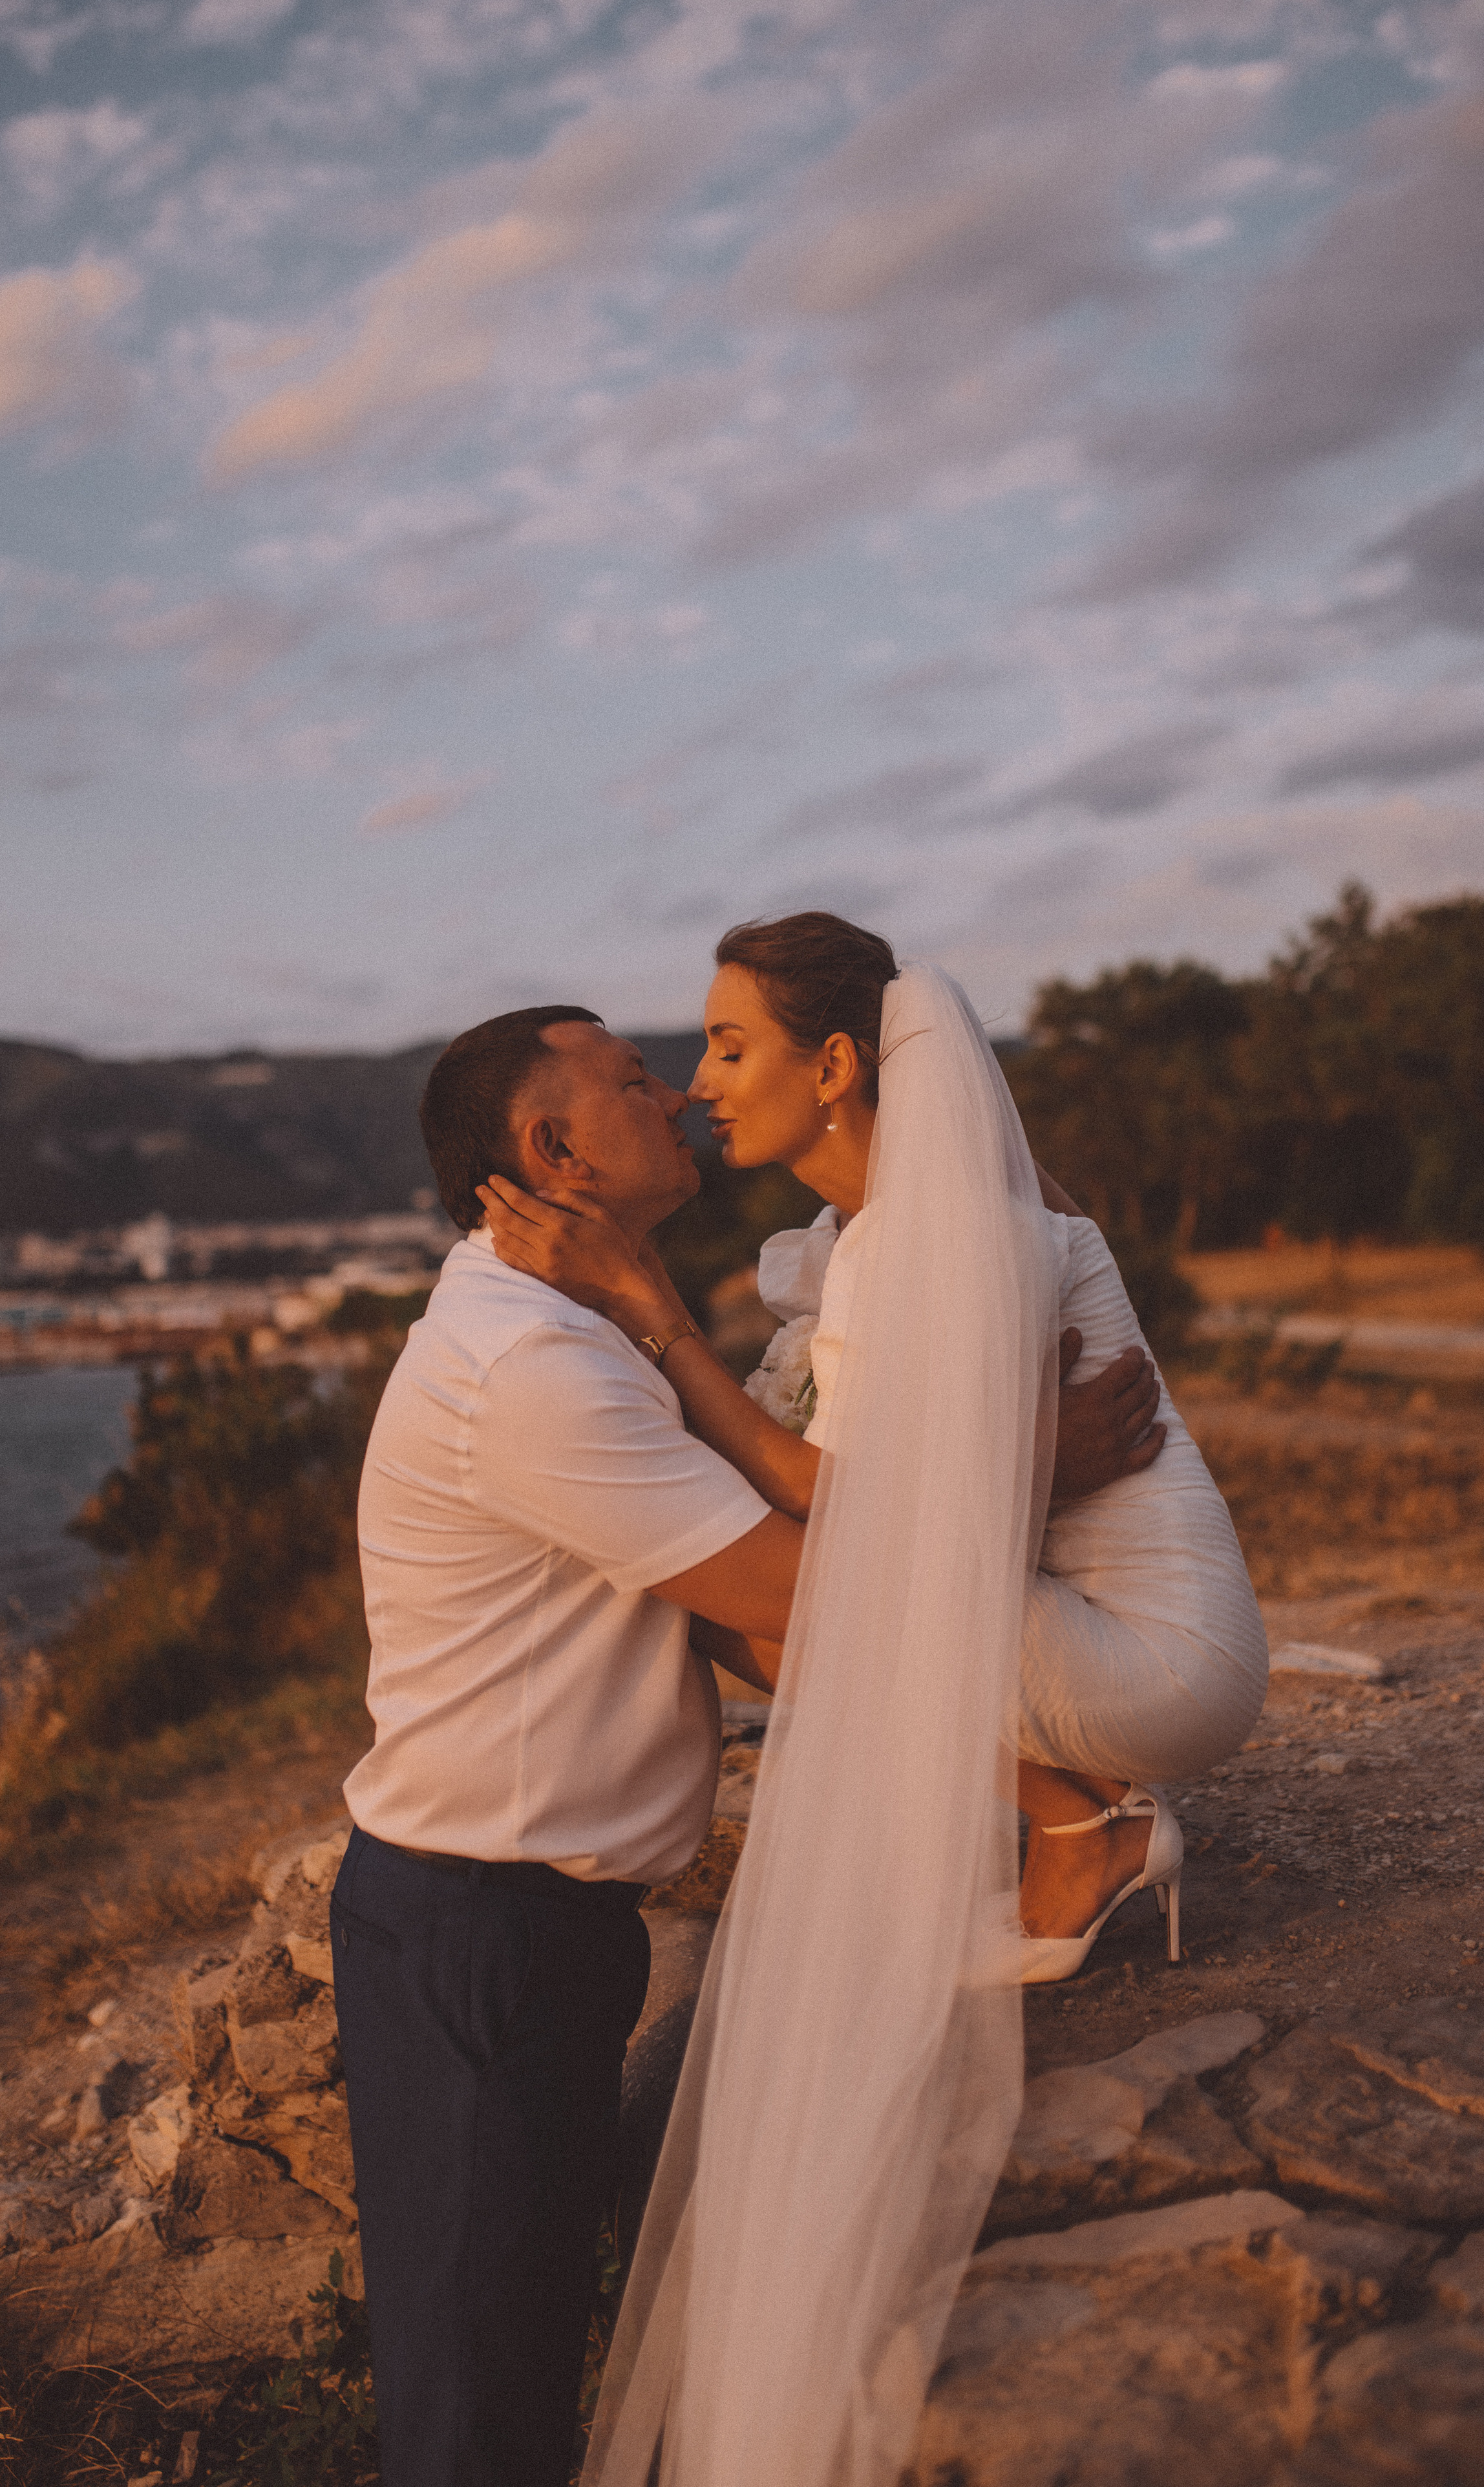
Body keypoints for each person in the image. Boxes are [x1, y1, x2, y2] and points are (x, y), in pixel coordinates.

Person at [474, 913, 1268, 2486]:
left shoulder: (916, 1237)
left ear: (835, 1067)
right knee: (746, 1569)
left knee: (773, 1593)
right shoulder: (887, 1233)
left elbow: (845, 1516)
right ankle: (1072, 1818)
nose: (700, 1083)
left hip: (1159, 1661)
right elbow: (931, 1478)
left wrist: (653, 1312)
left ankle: (1085, 1822)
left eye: (726, 1046)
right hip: (1122, 1628)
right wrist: (1028, 1447)